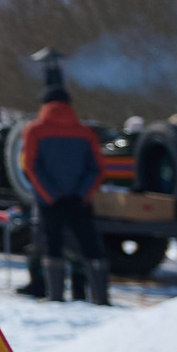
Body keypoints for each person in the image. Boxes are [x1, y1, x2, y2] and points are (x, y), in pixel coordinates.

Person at [19, 86, 108, 304]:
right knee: (90, 245)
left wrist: (52, 196)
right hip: (80, 202)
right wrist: (80, 195)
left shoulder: (34, 130)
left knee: (52, 244)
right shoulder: (86, 132)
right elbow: (97, 169)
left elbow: (31, 167)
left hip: (50, 202)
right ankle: (100, 298)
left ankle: (55, 296)